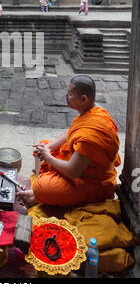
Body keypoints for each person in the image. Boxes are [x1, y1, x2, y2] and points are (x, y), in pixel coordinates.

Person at [17, 75, 121, 208]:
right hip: (78, 163)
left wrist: (47, 156)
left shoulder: (92, 135)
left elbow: (73, 172)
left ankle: (38, 193)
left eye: (70, 94)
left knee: (42, 187)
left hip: (91, 183)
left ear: (84, 99)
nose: (66, 96)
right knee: (42, 144)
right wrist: (47, 148)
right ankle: (39, 192)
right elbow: (70, 132)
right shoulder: (91, 109)